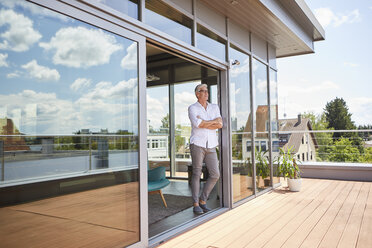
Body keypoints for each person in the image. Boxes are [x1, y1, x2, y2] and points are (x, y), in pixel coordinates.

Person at [188, 83, 222, 214]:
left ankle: (203, 200)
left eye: (207, 91)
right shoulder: (192, 108)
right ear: (197, 94)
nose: (207, 93)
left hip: (211, 145)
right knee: (197, 173)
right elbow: (197, 124)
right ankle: (196, 203)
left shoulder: (214, 107)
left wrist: (205, 122)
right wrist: (211, 122)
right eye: (203, 91)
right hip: (197, 144)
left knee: (215, 174)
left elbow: (220, 124)